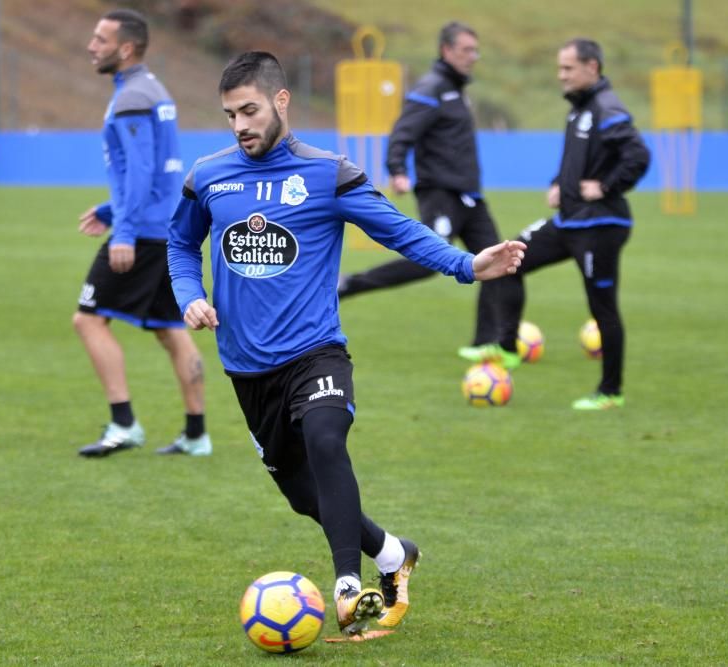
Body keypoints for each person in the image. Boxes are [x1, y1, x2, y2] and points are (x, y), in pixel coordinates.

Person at [167, 52, 525, 635]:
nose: (240, 125)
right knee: (304, 494)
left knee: (326, 437)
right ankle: (391, 554)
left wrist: (466, 264)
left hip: (315, 351)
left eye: (250, 110)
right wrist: (189, 293)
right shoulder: (208, 176)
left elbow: (398, 229)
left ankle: (346, 584)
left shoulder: (327, 174)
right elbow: (180, 245)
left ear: (281, 101)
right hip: (247, 367)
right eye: (230, 115)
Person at [476, 38, 650, 410]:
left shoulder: (607, 108)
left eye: (568, 68)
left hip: (601, 226)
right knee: (511, 258)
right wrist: (561, 183)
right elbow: (579, 160)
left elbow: (638, 155)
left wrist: (604, 187)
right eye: (560, 68)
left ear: (592, 67)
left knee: (602, 308)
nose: (561, 75)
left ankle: (610, 392)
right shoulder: (579, 110)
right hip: (570, 222)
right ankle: (507, 348)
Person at [73, 9, 212, 457]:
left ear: (126, 48)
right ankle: (196, 434)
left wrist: (123, 231)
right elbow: (155, 174)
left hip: (146, 231)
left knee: (89, 319)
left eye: (100, 38)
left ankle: (123, 424)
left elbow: (142, 171)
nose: (91, 45)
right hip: (165, 226)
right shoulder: (153, 89)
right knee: (172, 329)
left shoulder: (133, 96)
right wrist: (110, 211)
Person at [338, 22, 512, 366]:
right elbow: (402, 133)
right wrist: (398, 170)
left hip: (470, 198)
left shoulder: (456, 90)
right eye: (466, 50)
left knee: (498, 261)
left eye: (476, 50)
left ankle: (485, 342)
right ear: (447, 51)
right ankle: (349, 284)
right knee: (425, 262)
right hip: (441, 194)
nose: (473, 57)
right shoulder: (430, 88)